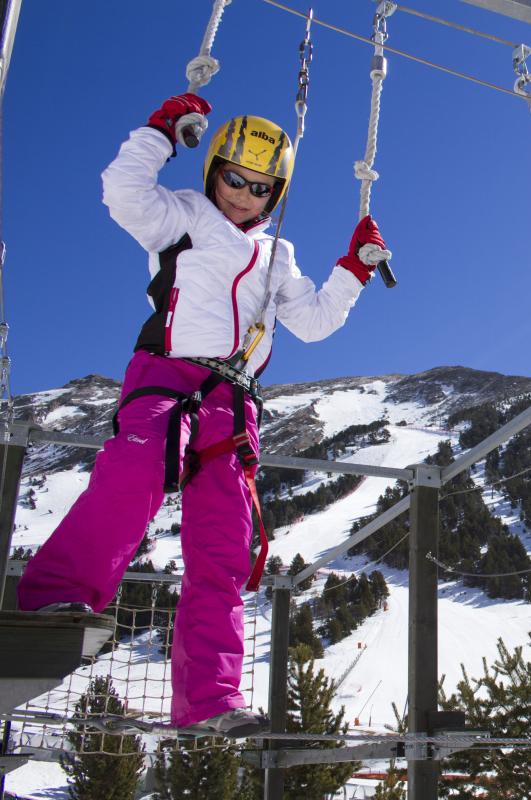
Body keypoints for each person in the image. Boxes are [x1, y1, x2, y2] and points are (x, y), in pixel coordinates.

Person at [16, 94, 388, 738]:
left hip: (235, 399)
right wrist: (161, 133)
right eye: (233, 179)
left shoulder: (280, 254)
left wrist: (353, 269)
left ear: (277, 194)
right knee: (134, 470)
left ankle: (209, 699)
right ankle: (58, 592)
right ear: (213, 169)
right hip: (167, 370)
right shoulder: (182, 216)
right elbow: (123, 193)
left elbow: (314, 322)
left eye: (260, 187)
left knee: (223, 541)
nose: (244, 195)